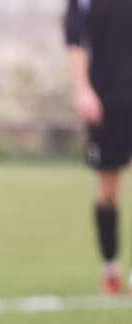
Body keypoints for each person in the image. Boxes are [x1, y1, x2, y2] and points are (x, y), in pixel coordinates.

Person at [66, 0, 132, 292]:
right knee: (108, 188)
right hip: (106, 100)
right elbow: (74, 39)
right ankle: (110, 270)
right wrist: (82, 89)